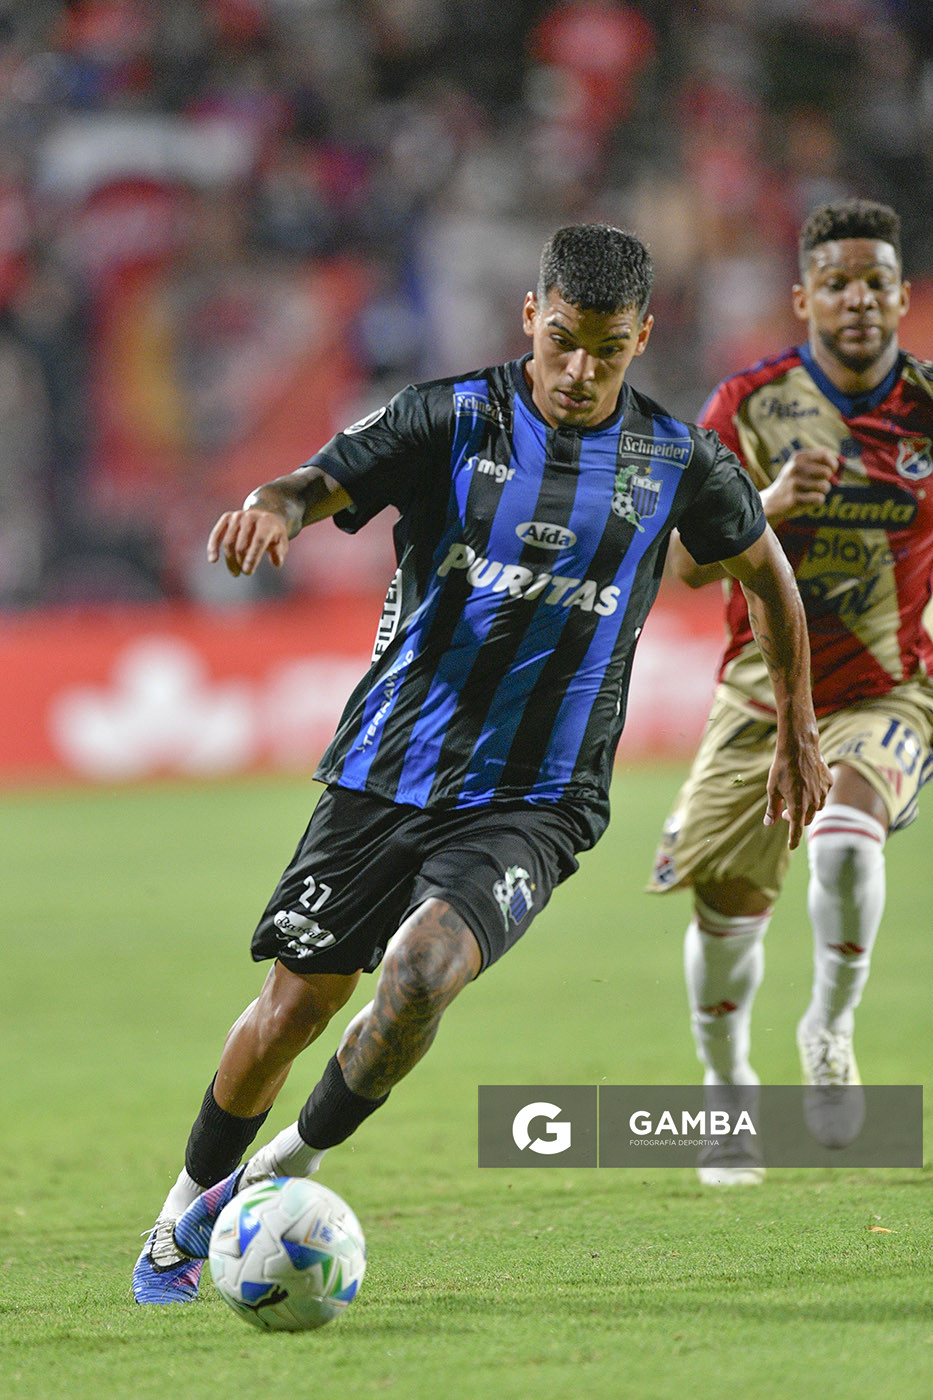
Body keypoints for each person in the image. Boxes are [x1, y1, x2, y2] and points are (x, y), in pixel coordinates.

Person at [133, 223, 830, 1303]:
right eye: (563, 341)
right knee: (297, 1005)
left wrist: (796, 720)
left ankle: (283, 1171)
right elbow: (316, 480)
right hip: (386, 767)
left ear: (643, 335)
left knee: (419, 975)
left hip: (539, 800)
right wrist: (270, 509)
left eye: (608, 348)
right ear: (530, 317)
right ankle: (184, 1203)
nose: (582, 369)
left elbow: (766, 572)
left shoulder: (675, 458)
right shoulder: (448, 416)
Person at [649, 199, 933, 1184]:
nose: (858, 298)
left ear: (902, 296)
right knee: (729, 916)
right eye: (838, 281)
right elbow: (681, 560)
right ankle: (726, 1090)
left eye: (876, 281)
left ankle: (830, 1024)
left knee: (848, 842)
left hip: (886, 694)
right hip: (762, 698)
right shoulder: (748, 406)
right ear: (803, 296)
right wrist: (762, 508)